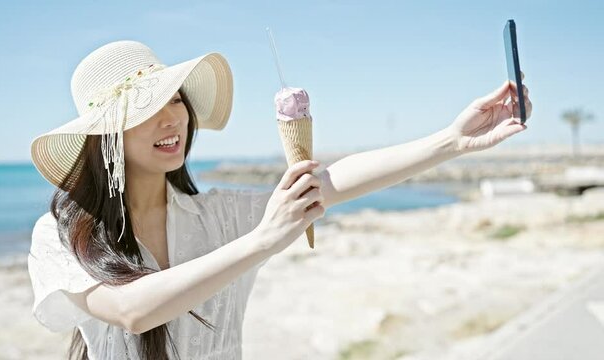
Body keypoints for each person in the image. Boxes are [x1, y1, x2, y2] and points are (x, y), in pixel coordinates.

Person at [27, 40, 532, 360]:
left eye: (175, 99)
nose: (172, 118)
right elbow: (132, 310)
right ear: (104, 137)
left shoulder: (216, 215)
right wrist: (264, 239)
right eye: (148, 108)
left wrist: (449, 140)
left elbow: (330, 181)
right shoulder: (61, 235)